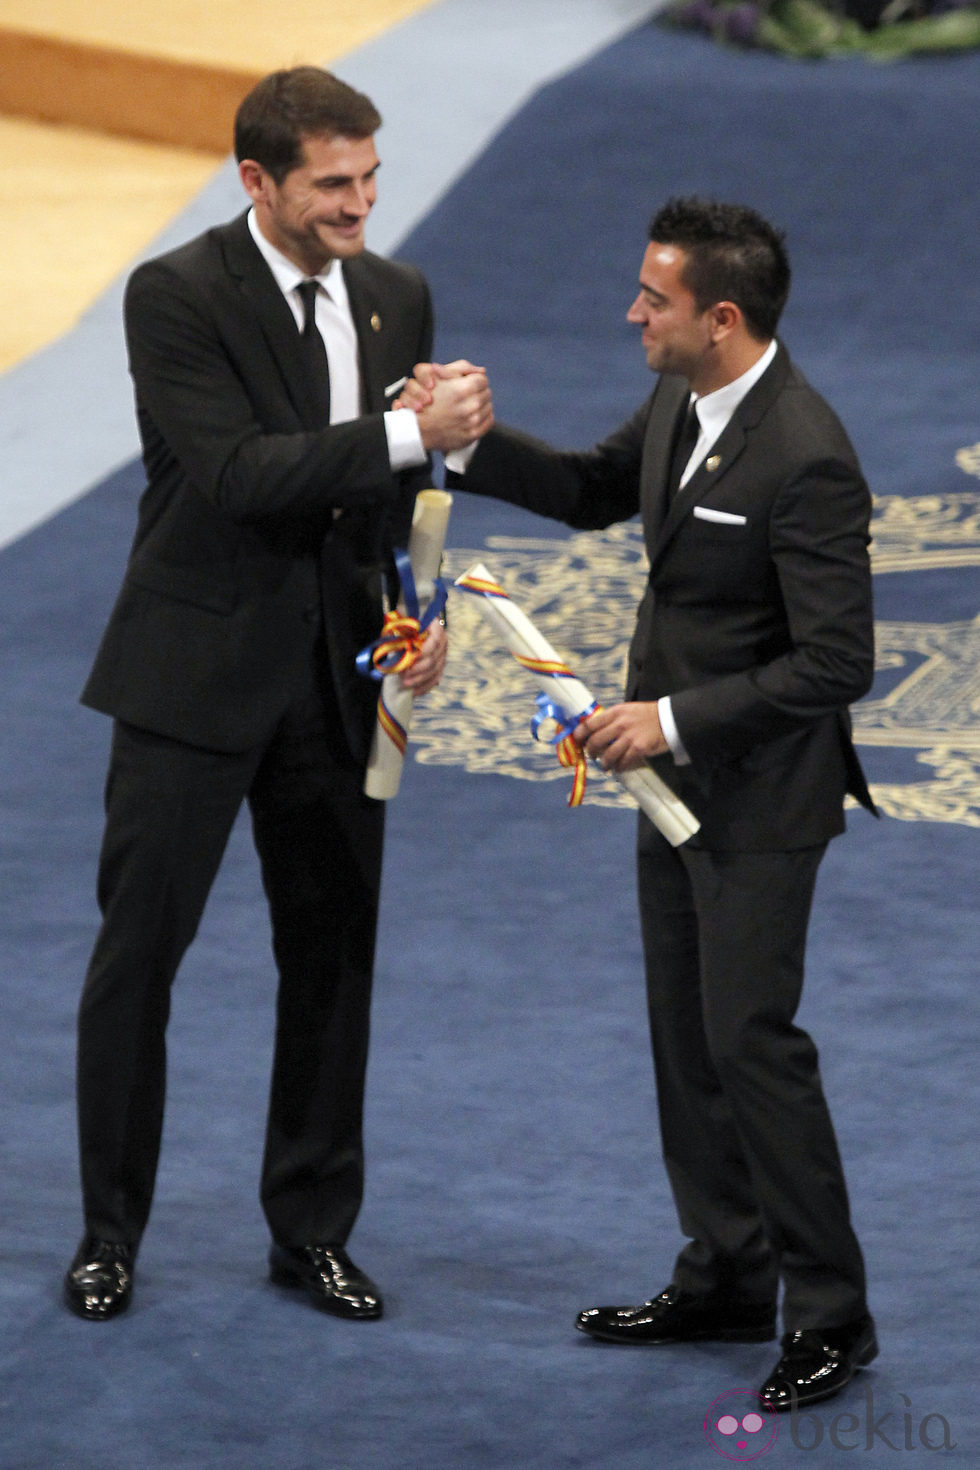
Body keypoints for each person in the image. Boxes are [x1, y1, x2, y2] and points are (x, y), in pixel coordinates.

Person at [406, 198, 878, 1411]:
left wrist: (665, 721)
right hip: (668, 791)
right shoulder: (682, 398)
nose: (631, 314)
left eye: (651, 300)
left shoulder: (806, 452)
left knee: (750, 1048)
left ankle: (832, 1315)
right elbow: (582, 490)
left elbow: (835, 664)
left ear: (718, 319)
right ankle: (724, 1274)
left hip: (758, 803)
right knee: (686, 1043)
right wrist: (466, 436)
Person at [64, 66, 492, 1323]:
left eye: (369, 178)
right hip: (191, 684)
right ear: (256, 181)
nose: (359, 205)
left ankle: (310, 1230)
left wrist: (422, 615)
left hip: (338, 682)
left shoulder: (395, 295)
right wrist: (416, 436)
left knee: (331, 961)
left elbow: (391, 505)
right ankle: (108, 1235)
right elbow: (239, 475)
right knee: (140, 962)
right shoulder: (176, 295)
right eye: (330, 184)